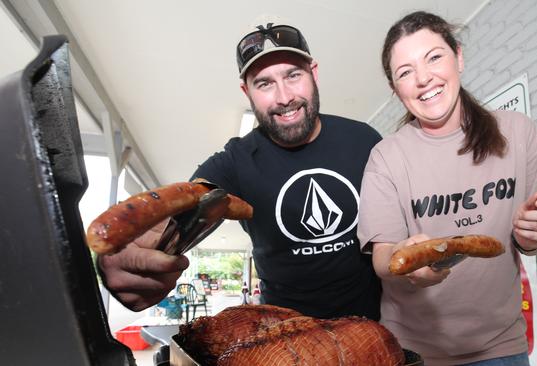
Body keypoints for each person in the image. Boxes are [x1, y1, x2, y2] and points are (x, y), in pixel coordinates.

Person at [97, 21, 382, 320]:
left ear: (314, 73)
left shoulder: (364, 140)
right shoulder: (236, 161)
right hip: (286, 334)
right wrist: (121, 257)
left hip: (370, 324)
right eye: (264, 83)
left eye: (293, 75)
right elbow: (189, 203)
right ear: (247, 91)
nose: (284, 97)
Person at [357, 11, 537, 365]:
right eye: (405, 72)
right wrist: (402, 260)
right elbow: (382, 256)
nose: (424, 78)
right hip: (413, 350)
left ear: (459, 57)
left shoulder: (519, 133)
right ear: (396, 90)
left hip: (501, 347)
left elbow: (534, 237)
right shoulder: (386, 156)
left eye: (434, 57)